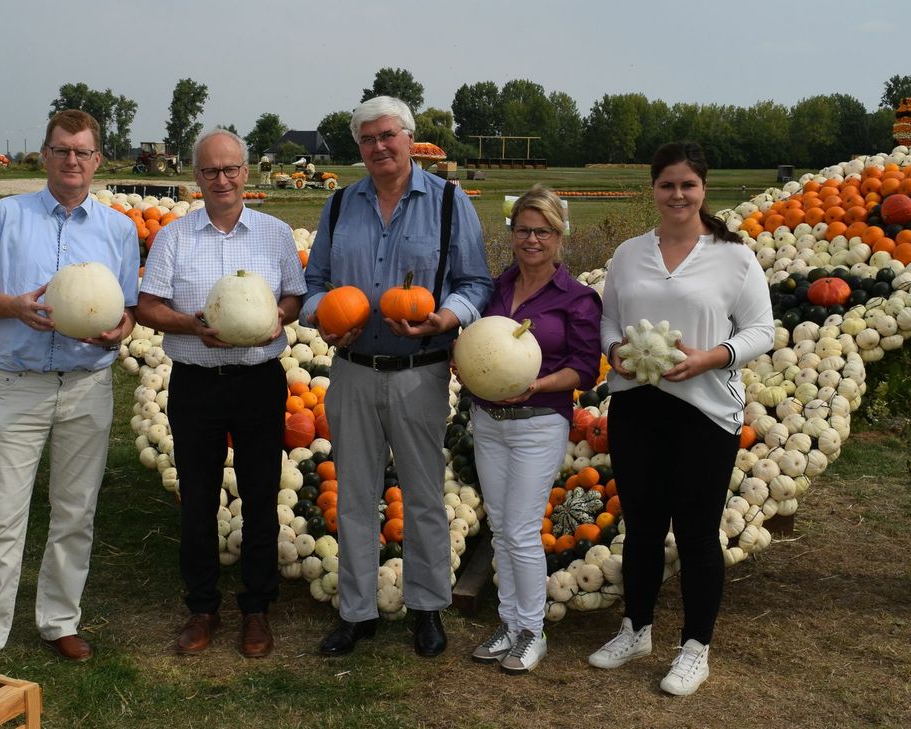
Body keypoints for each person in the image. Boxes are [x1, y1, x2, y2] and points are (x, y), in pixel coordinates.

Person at [302, 96, 493, 657]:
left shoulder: (451, 203)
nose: (379, 147)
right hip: (354, 370)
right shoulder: (339, 206)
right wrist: (321, 319)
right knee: (356, 496)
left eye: (388, 135)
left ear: (410, 139)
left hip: (421, 371)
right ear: (358, 147)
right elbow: (314, 282)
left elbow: (475, 281)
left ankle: (428, 608)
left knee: (424, 496)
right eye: (367, 139)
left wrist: (446, 316)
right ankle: (356, 613)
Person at [587, 141, 774, 695]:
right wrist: (615, 350)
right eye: (667, 184)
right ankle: (636, 628)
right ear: (653, 189)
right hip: (637, 408)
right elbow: (608, 320)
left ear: (703, 189)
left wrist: (709, 358)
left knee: (695, 534)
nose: (677, 194)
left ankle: (695, 648)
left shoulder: (733, 256)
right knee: (642, 527)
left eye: (687, 185)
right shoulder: (628, 254)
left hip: (705, 412)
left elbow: (762, 330)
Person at [0, 109, 139, 662]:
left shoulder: (119, 229)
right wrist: (13, 305)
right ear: (45, 155)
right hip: (20, 385)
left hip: (88, 387)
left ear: (97, 159)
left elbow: (128, 312)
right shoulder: (7, 217)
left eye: (82, 151)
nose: (72, 160)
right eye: (62, 150)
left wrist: (118, 333)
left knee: (75, 511)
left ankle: (60, 620)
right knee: (0, 513)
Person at [136, 128, 305, 658]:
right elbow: (147, 308)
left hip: (258, 380)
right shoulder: (175, 237)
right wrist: (190, 324)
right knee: (199, 496)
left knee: (259, 494)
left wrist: (277, 315)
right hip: (197, 382)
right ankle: (202, 606)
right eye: (210, 170)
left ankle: (256, 608)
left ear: (246, 172)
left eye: (231, 168)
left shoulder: (275, 234)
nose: (222, 179)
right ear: (197, 177)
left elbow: (295, 297)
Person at [462, 186, 602, 674]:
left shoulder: (578, 299)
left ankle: (532, 631)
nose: (532, 239)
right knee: (501, 527)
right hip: (488, 418)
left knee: (521, 529)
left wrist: (535, 383)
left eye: (542, 230)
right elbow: (481, 345)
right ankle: (509, 622)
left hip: (539, 421)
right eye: (523, 230)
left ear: (559, 235)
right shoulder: (497, 287)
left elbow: (585, 370)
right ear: (512, 234)